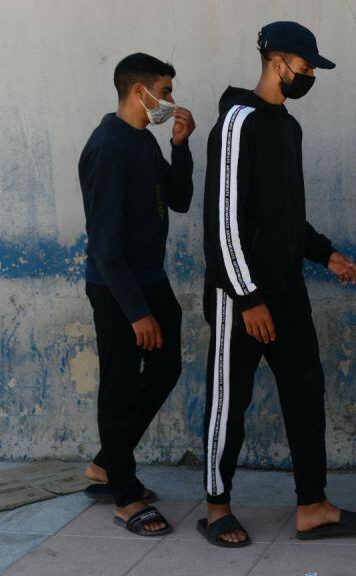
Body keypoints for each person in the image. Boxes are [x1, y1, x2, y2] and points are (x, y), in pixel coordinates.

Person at [199, 21, 356, 547]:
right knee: (231, 400)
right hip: (241, 294)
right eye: (306, 65)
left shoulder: (287, 127)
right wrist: (246, 297)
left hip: (287, 287)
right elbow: (223, 221)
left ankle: (312, 506)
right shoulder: (237, 121)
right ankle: (216, 507)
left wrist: (326, 253)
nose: (310, 73)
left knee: (305, 391)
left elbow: (284, 216)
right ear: (276, 60)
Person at [78, 53, 195, 536]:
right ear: (138, 91)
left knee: (166, 368)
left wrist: (180, 146)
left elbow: (181, 200)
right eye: (165, 91)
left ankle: (108, 461)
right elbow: (104, 244)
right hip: (116, 288)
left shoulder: (143, 140)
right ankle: (123, 495)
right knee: (121, 382)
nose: (170, 100)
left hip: (151, 279)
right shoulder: (107, 146)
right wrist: (135, 311)